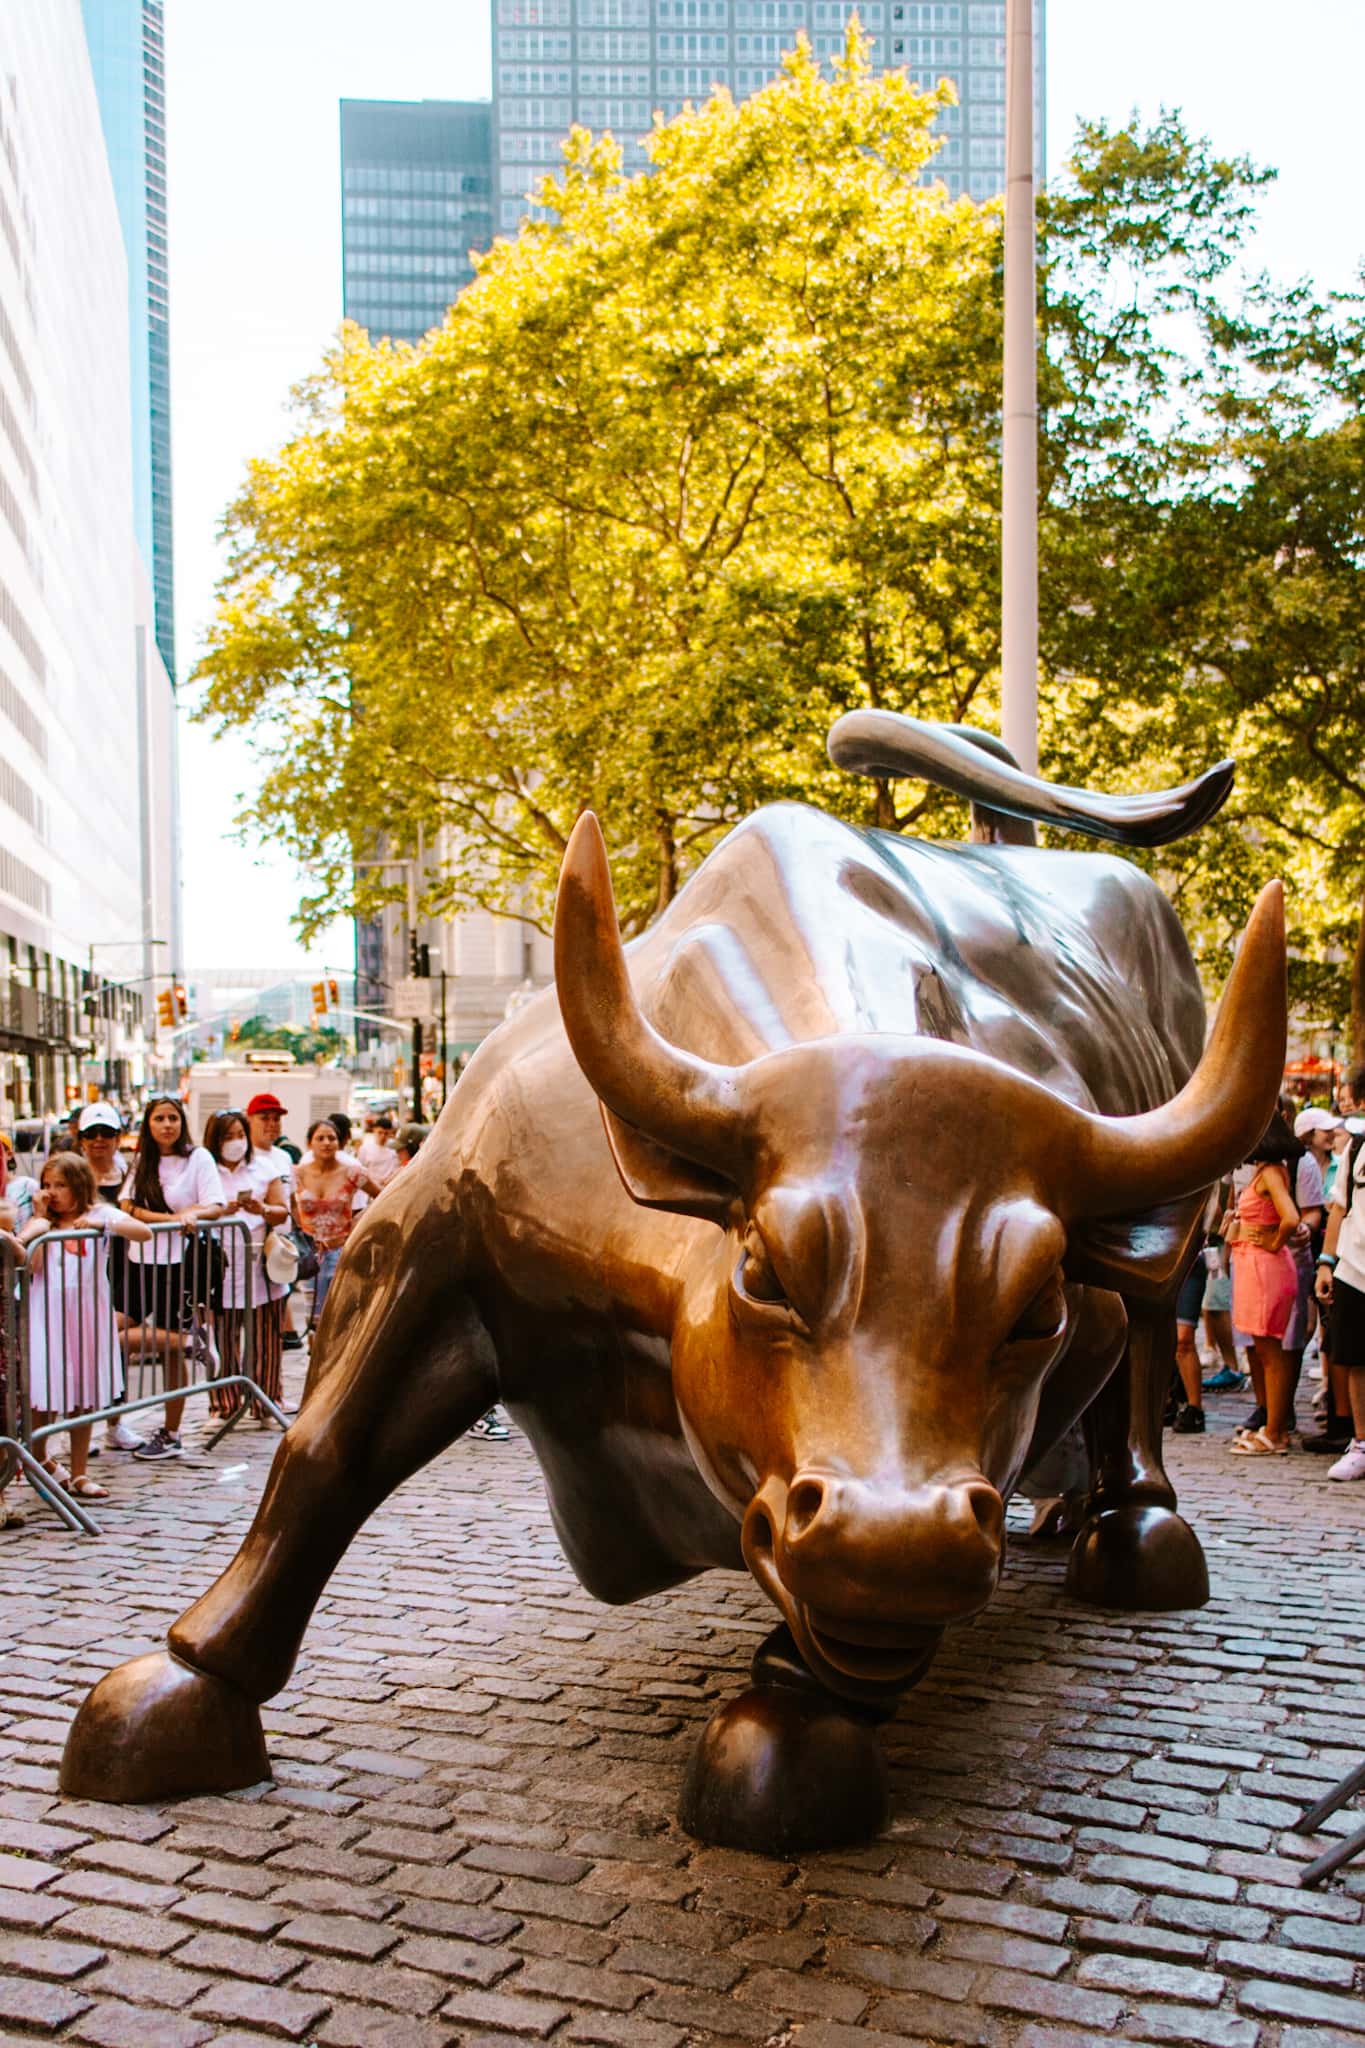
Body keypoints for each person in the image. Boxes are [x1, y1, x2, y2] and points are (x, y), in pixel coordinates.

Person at [19, 1153, 150, 1499]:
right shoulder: (43, 1225)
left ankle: (79, 1472)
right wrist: (38, 1219)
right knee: (42, 1395)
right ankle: (41, 1458)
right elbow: (31, 1268)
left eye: (60, 1185)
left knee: (83, 1394)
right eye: (47, 1185)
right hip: (48, 1316)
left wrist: (103, 1226)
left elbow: (143, 1232)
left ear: (78, 1184)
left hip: (86, 1315)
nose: (52, 1192)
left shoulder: (98, 1215)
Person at [119, 1095, 225, 1461]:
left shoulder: (198, 1158)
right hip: (139, 1260)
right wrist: (170, 1220)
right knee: (113, 1333)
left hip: (178, 1263)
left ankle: (172, 1430)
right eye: (160, 1118)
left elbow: (216, 1204)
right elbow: (127, 1205)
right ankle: (187, 1342)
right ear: (148, 1125)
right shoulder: (143, 1161)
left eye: (173, 1118)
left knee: (167, 1359)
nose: (167, 1125)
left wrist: (192, 1213)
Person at [1225, 1113, 1301, 1457]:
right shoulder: (1268, 1171)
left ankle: (1273, 1431)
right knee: (1268, 1351)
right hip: (1257, 1263)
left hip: (1263, 1266)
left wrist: (1272, 1242)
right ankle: (1275, 1428)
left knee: (1270, 1353)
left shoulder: (1270, 1172)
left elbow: (1291, 1216)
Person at [204, 1109, 289, 1420]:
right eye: (228, 1137)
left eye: (240, 1135)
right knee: (223, 1340)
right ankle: (223, 1404)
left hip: (260, 1267)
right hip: (219, 1267)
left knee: (266, 1339)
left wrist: (262, 1207)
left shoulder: (263, 1168)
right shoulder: (206, 1169)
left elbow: (282, 1211)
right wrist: (219, 1210)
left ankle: (266, 1400)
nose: (235, 1143)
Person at [74, 1104, 142, 1453]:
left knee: (115, 1343)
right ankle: (78, 1430)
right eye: (91, 1134)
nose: (99, 1141)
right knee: (79, 1350)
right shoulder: (72, 1173)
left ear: (118, 1138)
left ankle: (114, 1421)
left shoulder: (130, 1174)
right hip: (79, 1270)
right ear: (81, 1139)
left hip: (123, 1267)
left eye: (106, 1134)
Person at [292, 1119, 381, 1330]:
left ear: (339, 1143)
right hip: (309, 1255)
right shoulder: (297, 1174)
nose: (326, 1143)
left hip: (342, 1252)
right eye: (320, 1138)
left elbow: (383, 1198)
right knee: (312, 1319)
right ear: (309, 1143)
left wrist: (354, 1227)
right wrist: (302, 1235)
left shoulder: (353, 1173)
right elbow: (289, 1207)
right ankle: (313, 1360)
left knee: (337, 1318)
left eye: (331, 1138)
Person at [1314, 1123, 1365, 1481]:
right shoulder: (1357, 1149)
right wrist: (1326, 1263)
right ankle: (1361, 1443)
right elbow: (1338, 1208)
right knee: (1355, 1359)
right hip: (1354, 1268)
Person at [357, 1113, 400, 1190]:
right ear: (374, 1130)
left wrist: (388, 1180)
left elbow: (397, 1168)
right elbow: (361, 1171)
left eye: (386, 1133)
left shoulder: (395, 1148)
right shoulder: (365, 1148)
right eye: (380, 1132)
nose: (383, 1136)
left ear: (390, 1132)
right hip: (371, 1190)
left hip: (390, 1188)